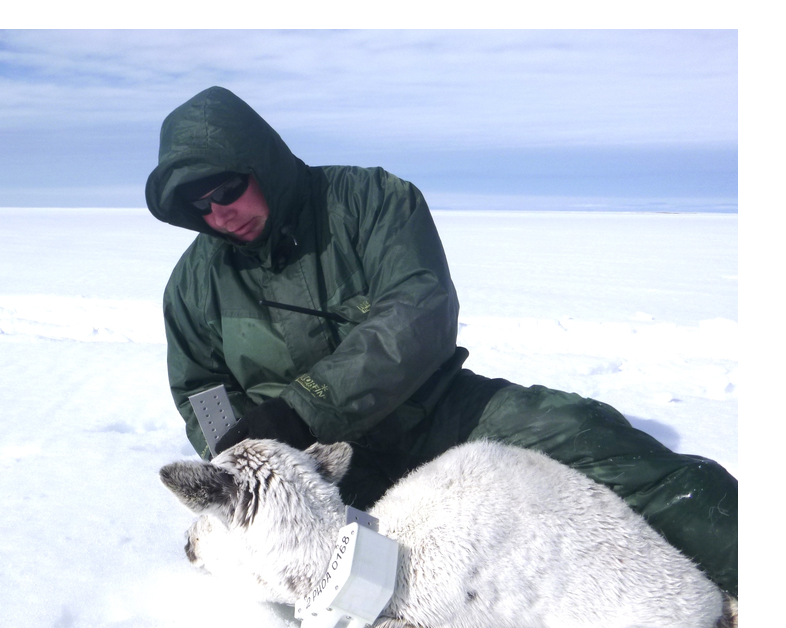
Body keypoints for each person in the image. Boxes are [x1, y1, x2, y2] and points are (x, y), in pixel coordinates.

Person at [144, 86, 737, 598]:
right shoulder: (193, 285)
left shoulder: (371, 202)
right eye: (198, 205)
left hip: (439, 410)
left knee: (586, 437)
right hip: (316, 468)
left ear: (261, 161)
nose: (218, 214)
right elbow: (201, 386)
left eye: (226, 189)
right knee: (357, 578)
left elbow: (418, 310)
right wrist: (240, 456)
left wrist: (300, 409)